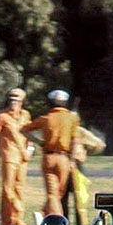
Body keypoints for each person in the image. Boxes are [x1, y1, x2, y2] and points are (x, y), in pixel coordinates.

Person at [21, 89, 80, 217]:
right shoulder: (72, 118)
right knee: (59, 192)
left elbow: (24, 130)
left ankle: (44, 214)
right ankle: (56, 219)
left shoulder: (45, 118)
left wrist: (39, 142)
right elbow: (75, 141)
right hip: (64, 158)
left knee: (53, 193)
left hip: (48, 157)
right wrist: (73, 159)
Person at [0, 87, 33, 225]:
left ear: (22, 101)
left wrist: (30, 150)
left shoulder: (26, 115)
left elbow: (29, 134)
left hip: (23, 157)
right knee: (8, 188)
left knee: (19, 187)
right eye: (12, 98)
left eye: (17, 99)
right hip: (9, 155)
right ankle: (11, 219)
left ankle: (14, 220)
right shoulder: (2, 116)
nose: (14, 101)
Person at [63, 125, 106, 225]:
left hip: (77, 166)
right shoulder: (61, 129)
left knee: (80, 197)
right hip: (62, 165)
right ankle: (64, 223)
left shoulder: (80, 131)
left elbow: (99, 144)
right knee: (62, 198)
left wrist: (85, 150)